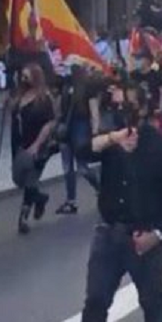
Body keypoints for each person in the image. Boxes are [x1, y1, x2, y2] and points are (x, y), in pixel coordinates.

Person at [47, 79, 162, 322]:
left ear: (144, 108)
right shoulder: (112, 143)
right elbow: (80, 149)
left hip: (145, 238)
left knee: (152, 303)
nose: (121, 112)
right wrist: (111, 138)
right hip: (108, 234)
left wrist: (157, 236)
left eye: (127, 105)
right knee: (95, 302)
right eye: (118, 106)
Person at [11, 63, 57, 234]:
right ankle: (40, 198)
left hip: (37, 145)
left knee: (30, 180)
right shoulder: (20, 97)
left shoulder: (44, 98)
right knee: (18, 179)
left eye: (27, 76)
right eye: (22, 76)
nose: (24, 79)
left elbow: (50, 123)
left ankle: (23, 218)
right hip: (19, 144)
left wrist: (38, 144)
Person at [56, 65, 102, 215]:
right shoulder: (66, 83)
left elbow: (94, 109)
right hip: (67, 126)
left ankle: (100, 188)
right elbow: (59, 105)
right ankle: (71, 200)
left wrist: (95, 130)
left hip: (80, 125)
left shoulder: (87, 86)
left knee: (82, 165)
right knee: (67, 166)